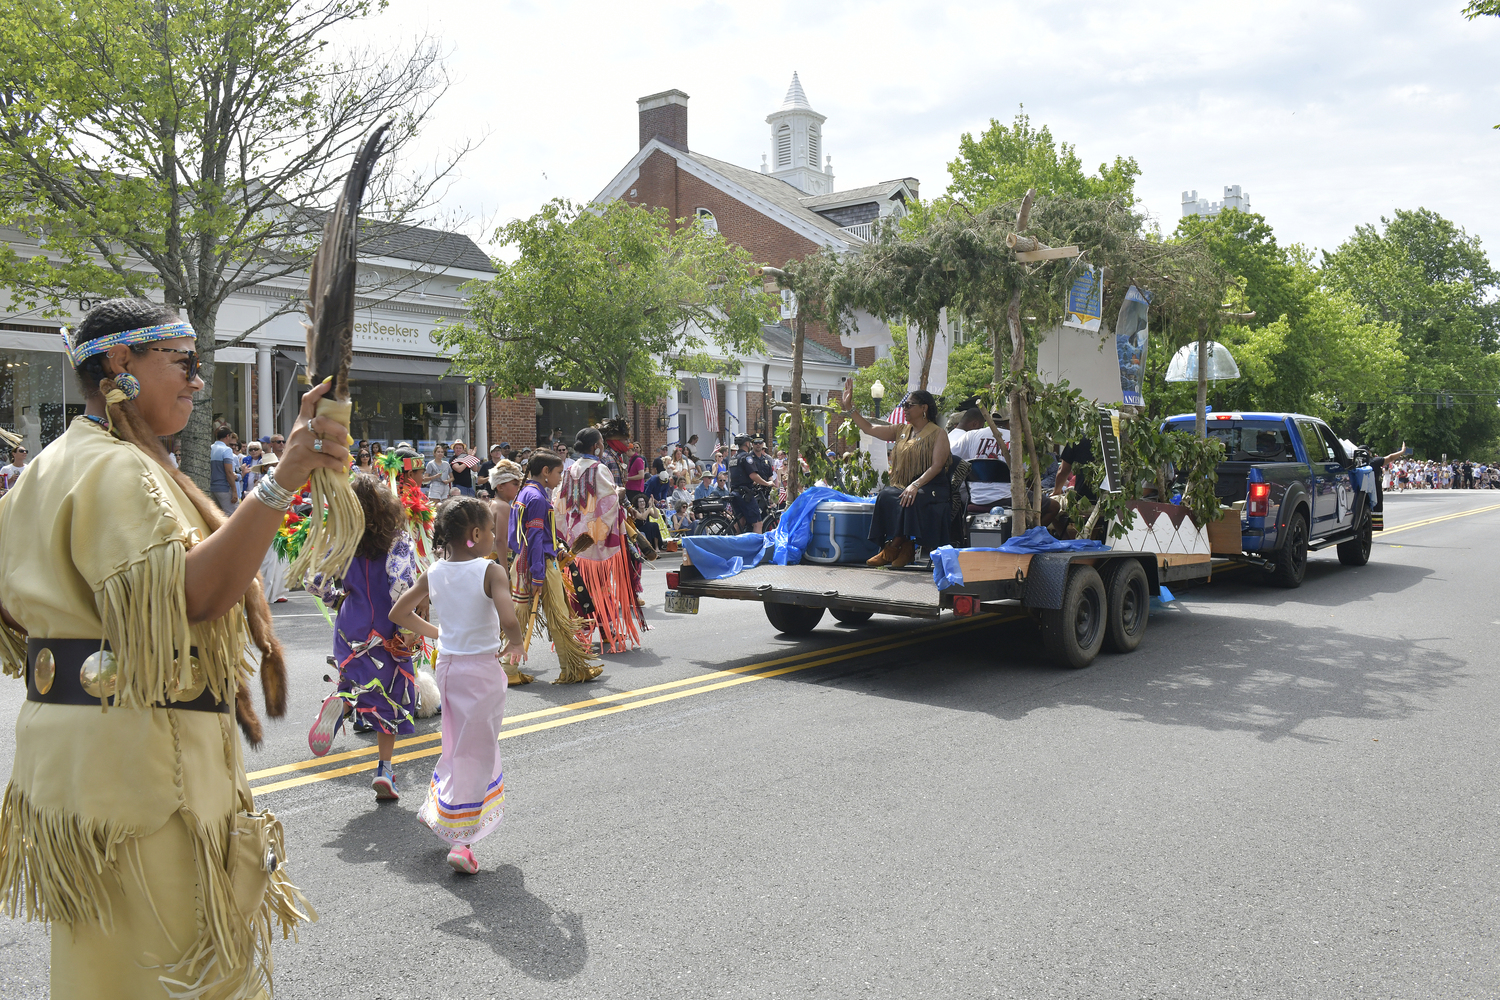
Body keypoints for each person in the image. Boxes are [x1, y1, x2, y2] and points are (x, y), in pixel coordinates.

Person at [0, 297, 340, 997]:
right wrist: (282, 482)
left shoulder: (48, 467)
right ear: (121, 363)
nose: (196, 381)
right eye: (182, 363)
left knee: (105, 969)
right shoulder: (119, 470)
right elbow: (194, 597)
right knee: (171, 970)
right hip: (148, 774)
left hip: (77, 769)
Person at [390, 496, 525, 875]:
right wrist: (515, 641)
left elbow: (399, 612)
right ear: (477, 534)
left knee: (456, 742)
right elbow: (507, 615)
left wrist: (437, 633)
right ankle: (461, 840)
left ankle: (437, 808)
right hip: (480, 671)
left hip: (447, 666)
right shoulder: (490, 570)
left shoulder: (433, 571)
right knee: (477, 752)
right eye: (491, 532)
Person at [305, 476, 422, 801]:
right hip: (386, 626)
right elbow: (403, 585)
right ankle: (384, 770)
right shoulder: (396, 541)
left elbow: (314, 582)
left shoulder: (341, 541)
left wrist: (337, 599)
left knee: (353, 685)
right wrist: (408, 631)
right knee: (392, 698)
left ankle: (341, 704)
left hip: (351, 625)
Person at [509, 451, 602, 684]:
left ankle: (508, 670)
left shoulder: (527, 493)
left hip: (524, 563)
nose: (561, 478)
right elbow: (535, 538)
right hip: (537, 564)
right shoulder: (538, 498)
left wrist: (556, 549)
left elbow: (536, 536)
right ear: (545, 472)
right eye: (559, 472)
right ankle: (572, 669)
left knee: (521, 618)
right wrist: (539, 573)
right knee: (560, 618)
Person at [558, 425, 644, 653]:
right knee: (602, 587)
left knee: (577, 588)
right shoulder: (599, 469)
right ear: (596, 447)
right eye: (602, 444)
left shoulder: (567, 471)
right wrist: (619, 493)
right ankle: (606, 631)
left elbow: (559, 508)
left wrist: (565, 536)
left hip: (574, 543)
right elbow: (608, 504)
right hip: (594, 542)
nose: (603, 447)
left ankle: (583, 632)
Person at [843, 389, 951, 568]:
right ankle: (902, 547)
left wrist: (915, 485)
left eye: (909, 405)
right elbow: (869, 428)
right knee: (886, 495)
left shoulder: (938, 433)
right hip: (907, 485)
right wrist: (849, 407)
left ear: (924, 408)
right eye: (904, 405)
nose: (904, 409)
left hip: (932, 486)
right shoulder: (901, 430)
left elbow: (937, 465)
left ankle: (896, 548)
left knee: (910, 497)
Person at [953, 410, 1013, 512]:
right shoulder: (1016, 439)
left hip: (976, 498)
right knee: (1050, 506)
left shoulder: (970, 435)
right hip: (1007, 498)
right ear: (1009, 422)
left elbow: (950, 456)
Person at [726, 435, 774, 532]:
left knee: (740, 521)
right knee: (758, 523)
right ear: (748, 444)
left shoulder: (733, 458)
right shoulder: (746, 457)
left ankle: (735, 545)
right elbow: (753, 475)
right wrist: (767, 484)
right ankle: (757, 547)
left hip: (735, 492)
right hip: (745, 494)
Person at [210, 423, 239, 513]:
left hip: (212, 488)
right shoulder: (226, 450)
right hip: (224, 488)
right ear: (227, 436)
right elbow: (229, 472)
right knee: (233, 516)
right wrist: (234, 491)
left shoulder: (210, 448)